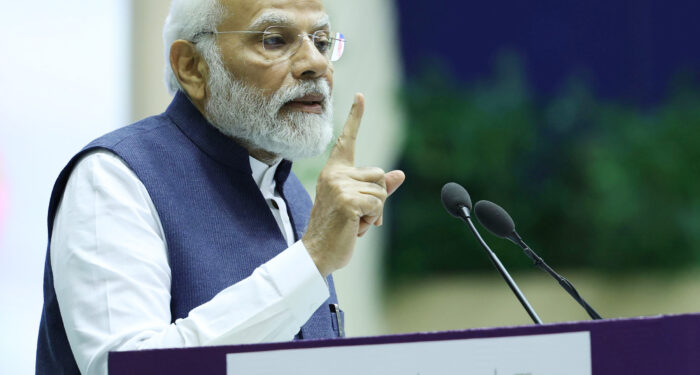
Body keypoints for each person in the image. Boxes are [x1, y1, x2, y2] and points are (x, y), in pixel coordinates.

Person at [35, 0, 405, 374]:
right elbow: (132, 368)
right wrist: (312, 258)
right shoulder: (112, 178)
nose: (317, 64)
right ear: (192, 67)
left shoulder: (289, 191)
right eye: (275, 40)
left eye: (322, 42)